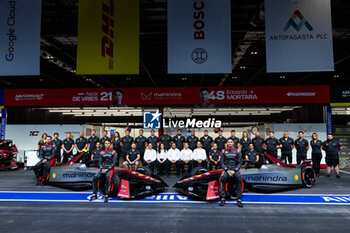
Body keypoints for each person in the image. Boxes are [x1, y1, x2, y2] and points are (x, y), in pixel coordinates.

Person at [219, 138, 243, 208]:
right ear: (227, 143)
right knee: (222, 178)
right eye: (228, 142)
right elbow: (221, 162)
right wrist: (227, 170)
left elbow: (240, 162)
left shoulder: (237, 151)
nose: (229, 143)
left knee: (239, 179)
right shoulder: (223, 151)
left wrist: (235, 170)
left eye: (231, 142)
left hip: (235, 169)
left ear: (233, 143)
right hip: (227, 169)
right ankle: (223, 198)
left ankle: (238, 199)